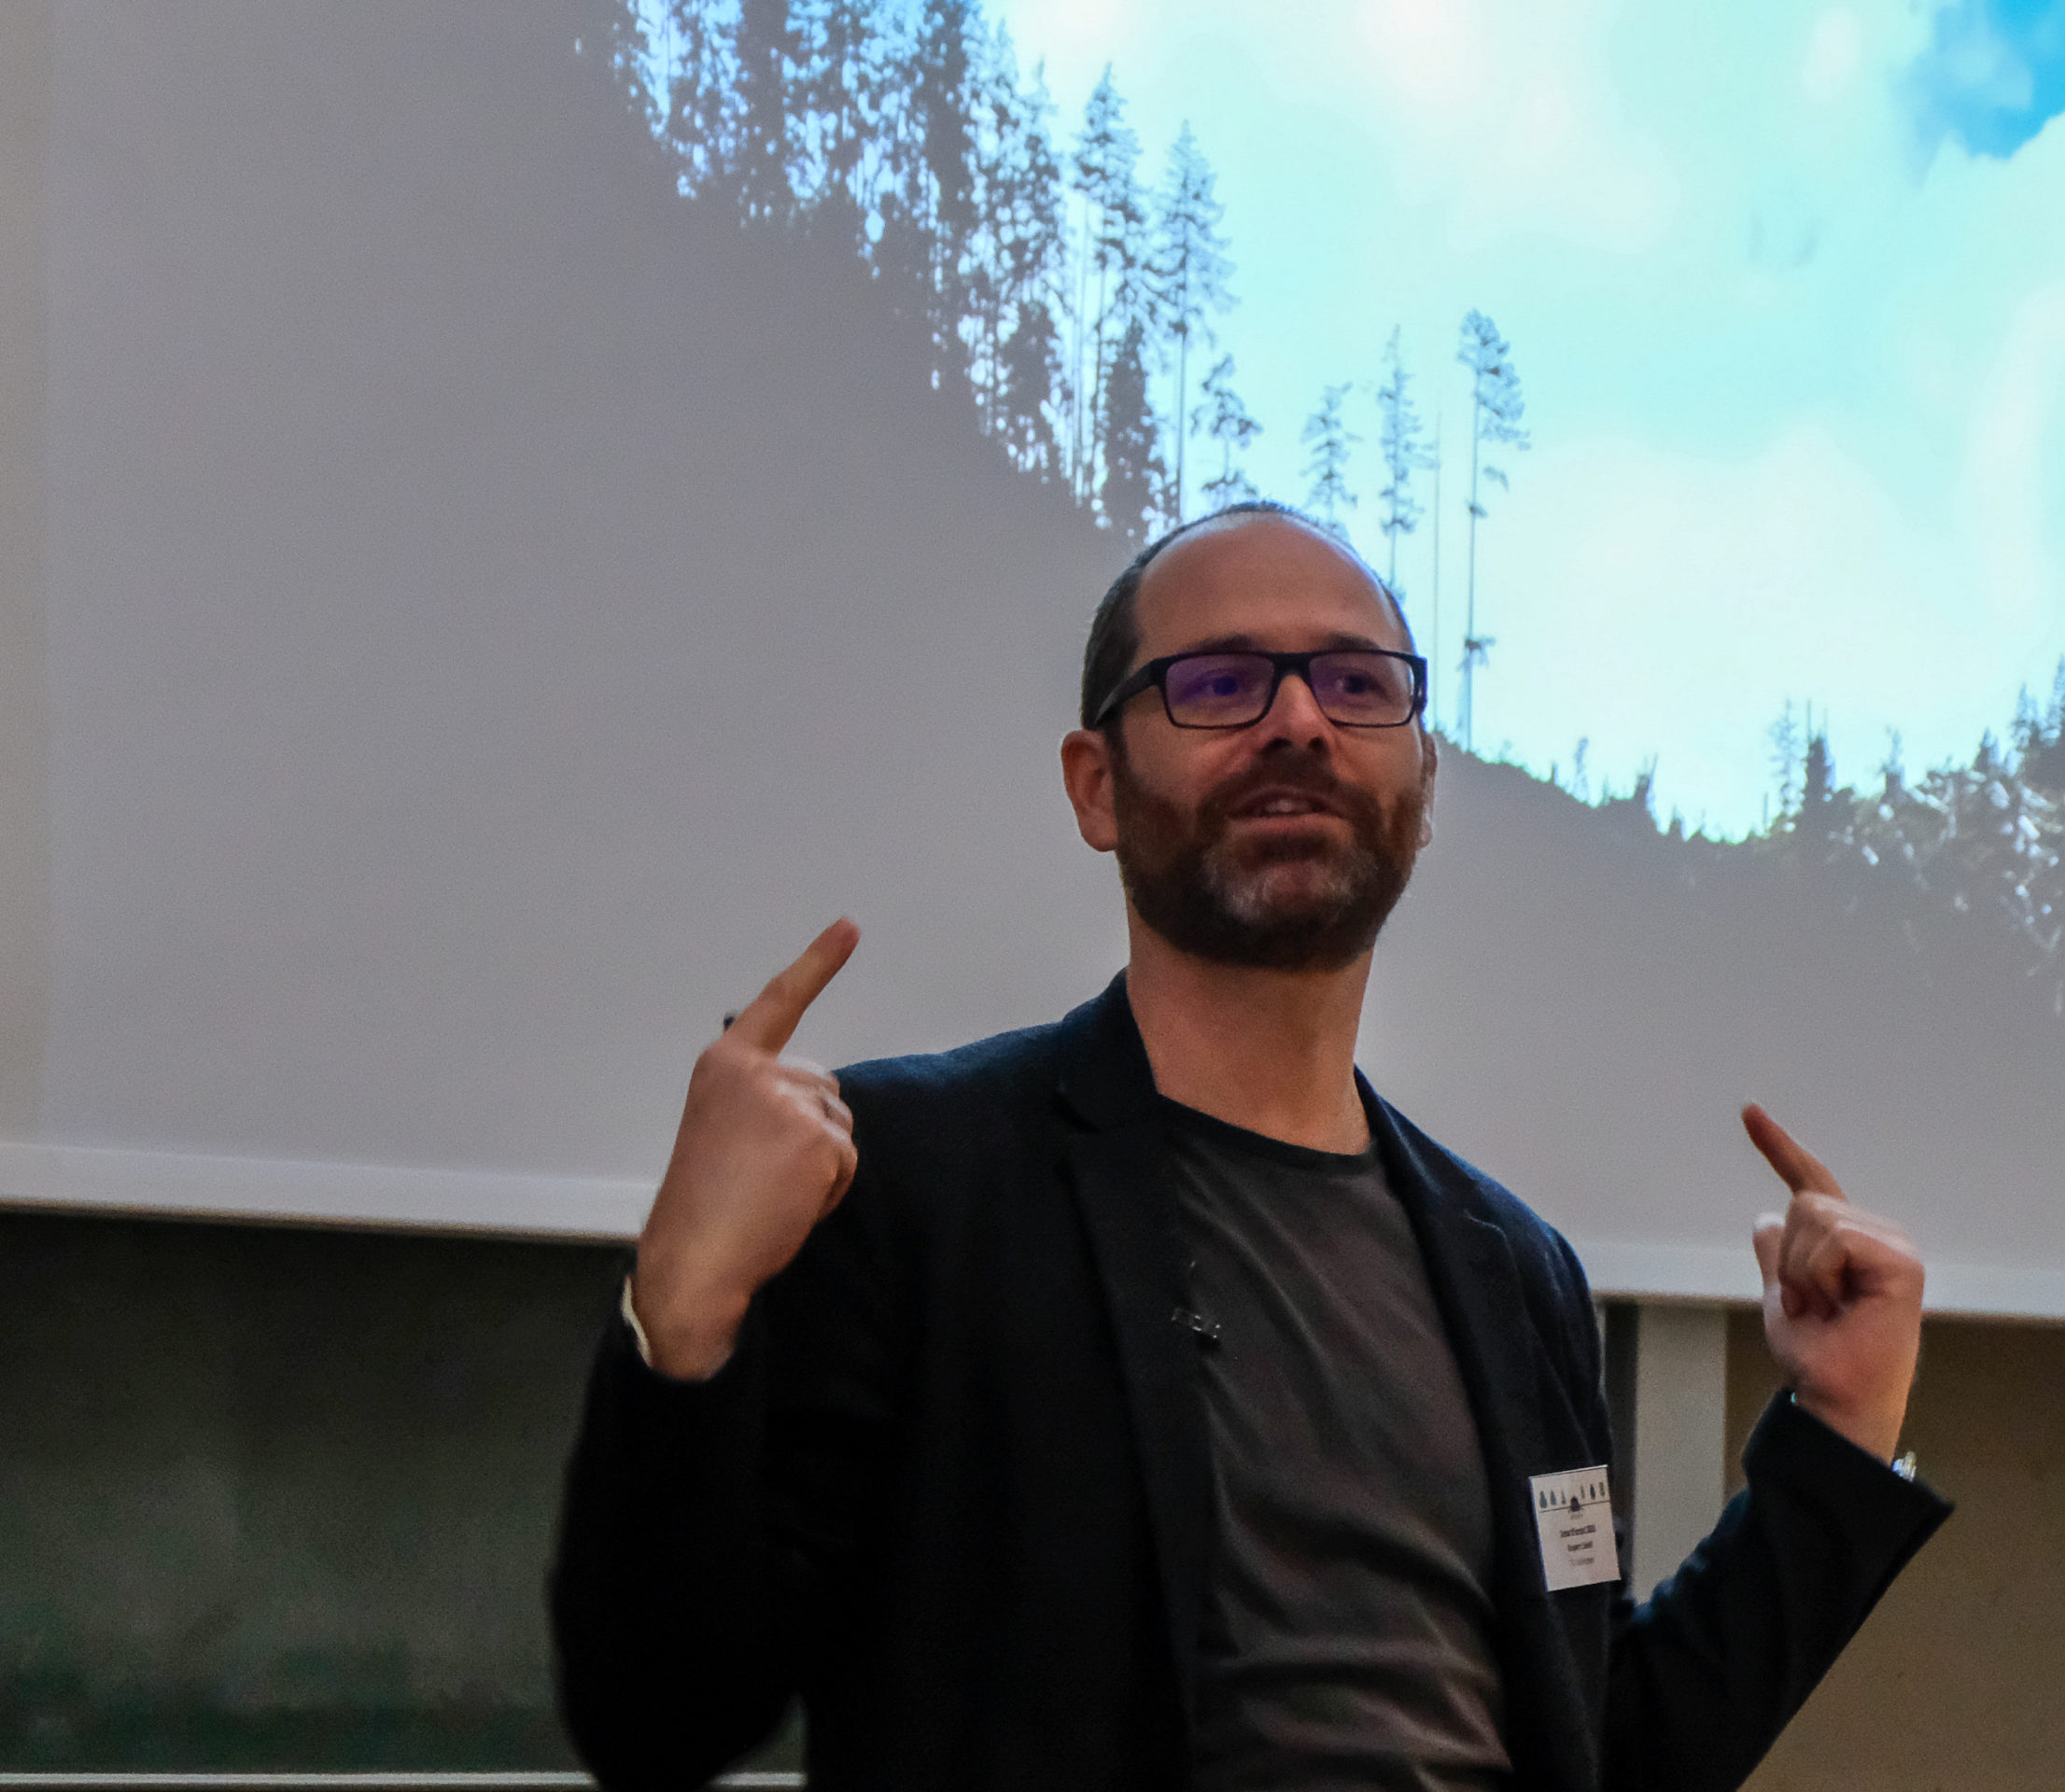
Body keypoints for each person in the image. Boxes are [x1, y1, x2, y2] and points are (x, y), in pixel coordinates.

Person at [549, 502, 1950, 1792]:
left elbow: (1601, 1751)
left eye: (1356, 683)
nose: (1297, 721)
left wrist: (1841, 1436)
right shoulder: (918, 1180)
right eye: (1219, 684)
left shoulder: (1518, 1270)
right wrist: (686, 1308)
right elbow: (655, 1723)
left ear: (1422, 780)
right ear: (1097, 786)